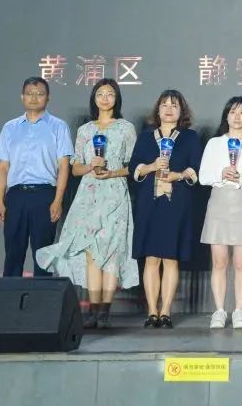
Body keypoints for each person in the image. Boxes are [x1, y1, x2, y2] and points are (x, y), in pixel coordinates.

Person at [36, 79, 138, 329]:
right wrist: (91, 166)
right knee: (91, 252)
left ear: (117, 98)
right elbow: (75, 168)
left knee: (112, 253)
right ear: (94, 98)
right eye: (100, 93)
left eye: (110, 94)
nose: (105, 98)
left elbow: (134, 166)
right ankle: (92, 311)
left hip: (115, 194)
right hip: (89, 196)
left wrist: (112, 172)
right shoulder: (85, 130)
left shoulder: (126, 128)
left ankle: (105, 312)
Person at [130, 89, 200, 329]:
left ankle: (166, 311)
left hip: (176, 203)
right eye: (164, 105)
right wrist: (151, 166)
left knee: (171, 258)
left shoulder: (190, 137)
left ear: (182, 111)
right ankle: (152, 311)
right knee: (151, 258)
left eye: (174, 105)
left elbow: (195, 169)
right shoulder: (145, 137)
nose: (169, 109)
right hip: (149, 203)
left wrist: (177, 175)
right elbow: (135, 168)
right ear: (157, 110)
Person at [0, 76, 73, 278]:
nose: (34, 98)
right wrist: (0, 201)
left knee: (43, 255)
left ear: (48, 98)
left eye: (39, 94)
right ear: (22, 97)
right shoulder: (10, 127)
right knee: (13, 252)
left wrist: (58, 200)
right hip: (16, 196)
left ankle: (42, 298)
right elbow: (3, 167)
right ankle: (10, 296)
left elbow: (64, 166)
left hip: (45, 195)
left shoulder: (58, 126)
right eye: (29, 94)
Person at [199, 96, 242, 330]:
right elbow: (203, 176)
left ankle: (239, 310)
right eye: (232, 112)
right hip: (219, 201)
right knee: (219, 262)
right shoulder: (214, 143)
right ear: (226, 116)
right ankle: (219, 311)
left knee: (241, 262)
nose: (237, 117)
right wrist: (221, 174)